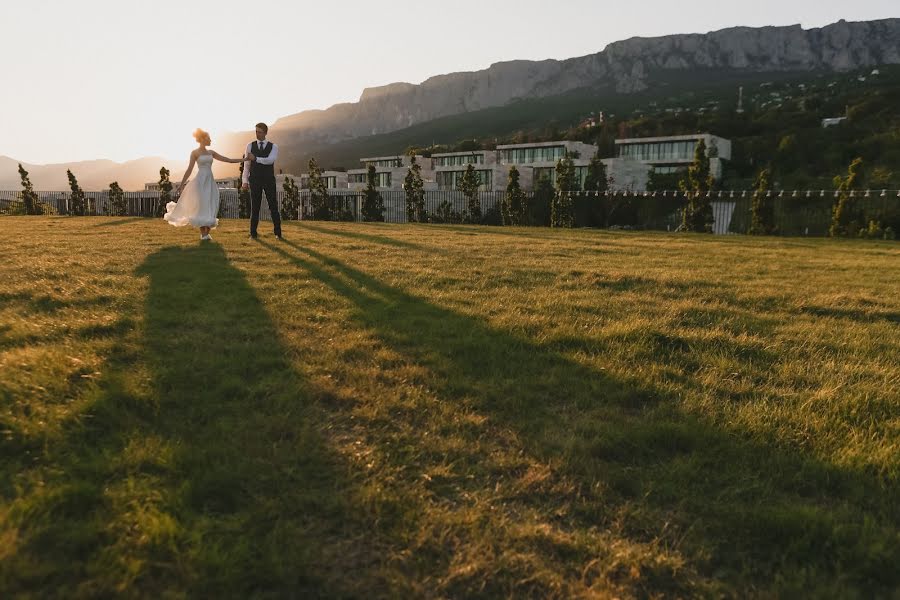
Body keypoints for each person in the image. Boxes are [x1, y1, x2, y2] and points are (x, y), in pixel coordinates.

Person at [164, 128, 244, 240]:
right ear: (202, 139)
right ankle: (204, 234)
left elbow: (228, 160)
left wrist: (244, 159)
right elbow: (189, 169)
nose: (210, 140)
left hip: (210, 182)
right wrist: (182, 184)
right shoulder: (195, 153)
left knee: (210, 205)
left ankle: (207, 232)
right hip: (200, 182)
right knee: (202, 207)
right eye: (208, 138)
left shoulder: (211, 152)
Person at [242, 122, 282, 239]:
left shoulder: (274, 147)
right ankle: (253, 234)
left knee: (273, 206)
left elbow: (270, 160)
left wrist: (256, 158)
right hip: (254, 179)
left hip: (269, 180)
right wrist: (244, 180)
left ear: (265, 132)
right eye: (256, 131)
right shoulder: (249, 146)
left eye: (259, 132)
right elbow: (247, 165)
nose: (257, 134)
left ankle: (278, 233)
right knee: (255, 207)